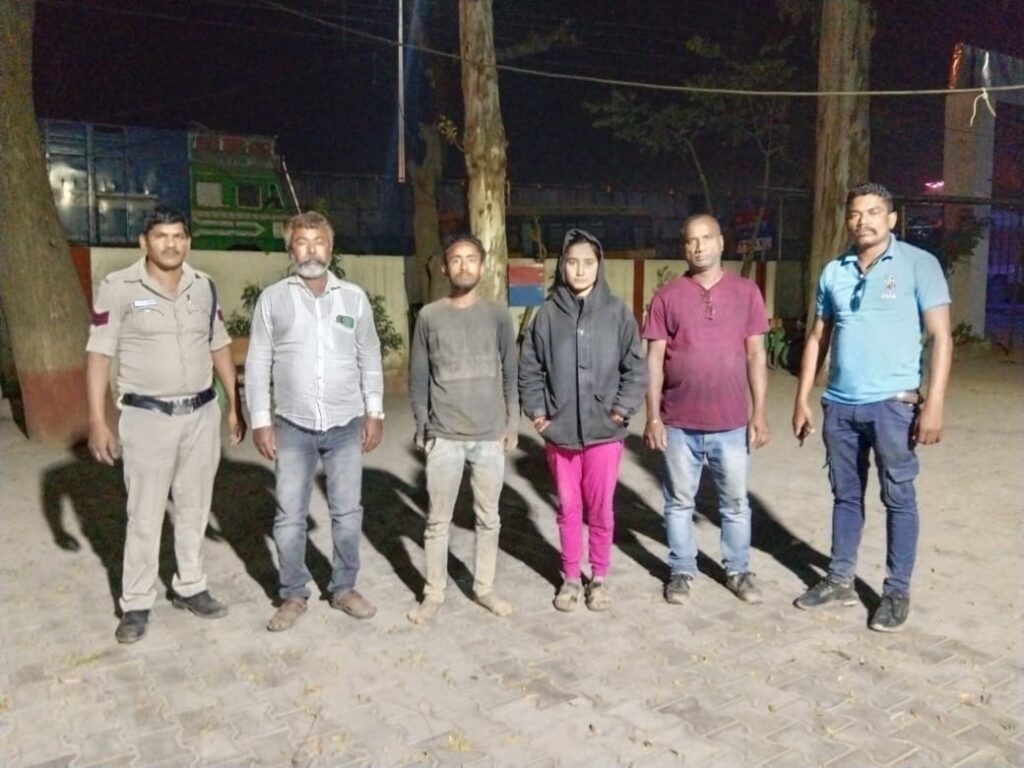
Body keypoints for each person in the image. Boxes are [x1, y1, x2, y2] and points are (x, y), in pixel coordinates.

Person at [792, 182, 952, 632]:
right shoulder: (834, 272)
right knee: (845, 496)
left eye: (874, 212)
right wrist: (803, 398)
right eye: (855, 213)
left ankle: (896, 591)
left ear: (892, 218)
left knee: (898, 497)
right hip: (840, 406)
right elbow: (818, 337)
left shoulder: (919, 264)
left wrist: (935, 403)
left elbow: (941, 336)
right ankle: (840, 579)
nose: (863, 221)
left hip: (893, 406)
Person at [86, 206, 246, 644]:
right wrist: (98, 420)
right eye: (161, 236)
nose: (170, 244)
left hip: (201, 415)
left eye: (178, 236)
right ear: (144, 242)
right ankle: (136, 603)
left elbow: (218, 345)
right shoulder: (119, 287)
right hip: (147, 418)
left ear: (188, 242)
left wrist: (234, 404)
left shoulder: (204, 286)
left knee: (195, 508)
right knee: (145, 514)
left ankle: (190, 587)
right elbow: (99, 353)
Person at [245, 211, 384, 632]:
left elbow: (369, 356)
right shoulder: (273, 299)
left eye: (318, 242)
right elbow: (258, 361)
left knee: (348, 512)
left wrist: (375, 411)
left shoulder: (353, 299)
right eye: (302, 243)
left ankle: (344, 587)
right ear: (290, 249)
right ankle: (293, 593)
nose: (311, 251)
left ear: (330, 247)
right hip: (292, 425)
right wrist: (260, 420)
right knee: (289, 515)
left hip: (345, 423)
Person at [643, 213, 770, 605]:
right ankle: (681, 570)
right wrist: (653, 416)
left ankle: (738, 570)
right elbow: (654, 359)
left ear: (721, 242)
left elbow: (756, 354)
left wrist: (759, 413)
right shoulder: (667, 296)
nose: (698, 247)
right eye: (691, 240)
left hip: (730, 424)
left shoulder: (746, 293)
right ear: (684, 247)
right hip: (679, 423)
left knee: (735, 505)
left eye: (706, 238)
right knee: (679, 503)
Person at [519, 229, 646, 612]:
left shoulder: (617, 313)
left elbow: (635, 369)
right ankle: (571, 577)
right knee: (568, 507)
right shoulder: (547, 315)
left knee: (601, 508)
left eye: (588, 262)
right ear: (562, 265)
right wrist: (539, 414)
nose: (580, 269)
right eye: (572, 262)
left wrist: (621, 410)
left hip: (605, 433)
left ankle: (600, 577)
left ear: (599, 265)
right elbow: (529, 368)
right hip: (560, 432)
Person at [407, 233, 519, 623]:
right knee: (437, 521)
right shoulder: (429, 316)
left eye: (471, 258)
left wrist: (512, 422)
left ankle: (484, 588)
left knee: (489, 518)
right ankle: (433, 592)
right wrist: (422, 425)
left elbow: (511, 372)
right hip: (444, 436)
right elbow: (418, 376)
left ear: (482, 266)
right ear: (445, 267)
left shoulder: (498, 315)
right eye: (456, 259)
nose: (464, 266)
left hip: (489, 435)